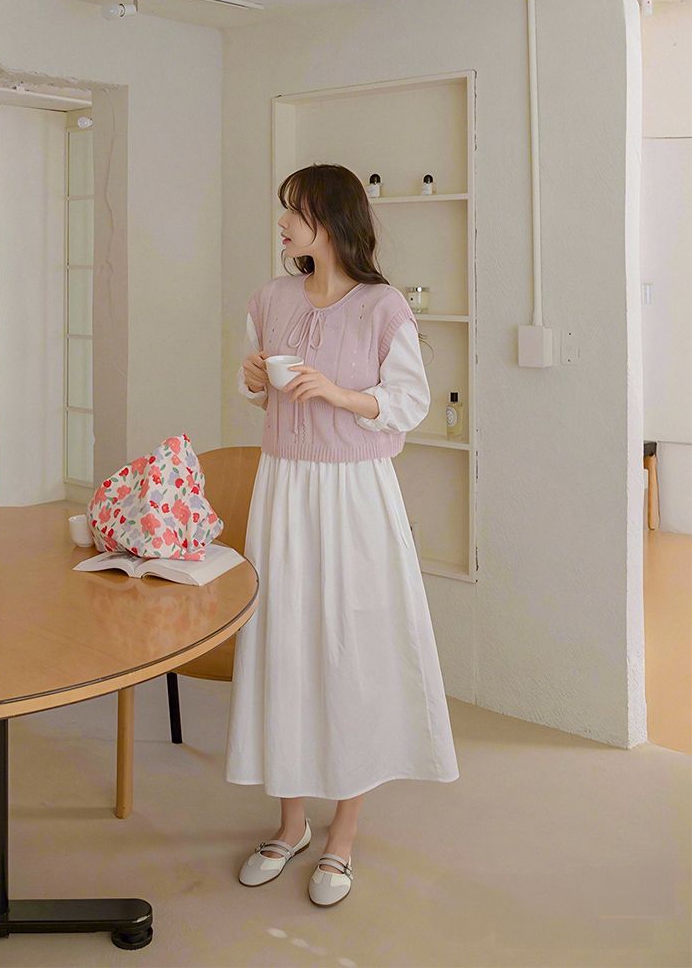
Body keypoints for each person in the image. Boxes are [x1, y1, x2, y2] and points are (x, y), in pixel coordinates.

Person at [225, 163, 459, 906]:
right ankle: (290, 823)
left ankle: (343, 836)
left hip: (355, 494)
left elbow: (409, 402)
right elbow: (254, 391)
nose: (283, 223)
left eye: (293, 211)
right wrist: (253, 376)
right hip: (284, 489)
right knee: (284, 644)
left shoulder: (383, 306)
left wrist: (338, 393)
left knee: (350, 651)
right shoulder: (270, 298)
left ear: (328, 221)